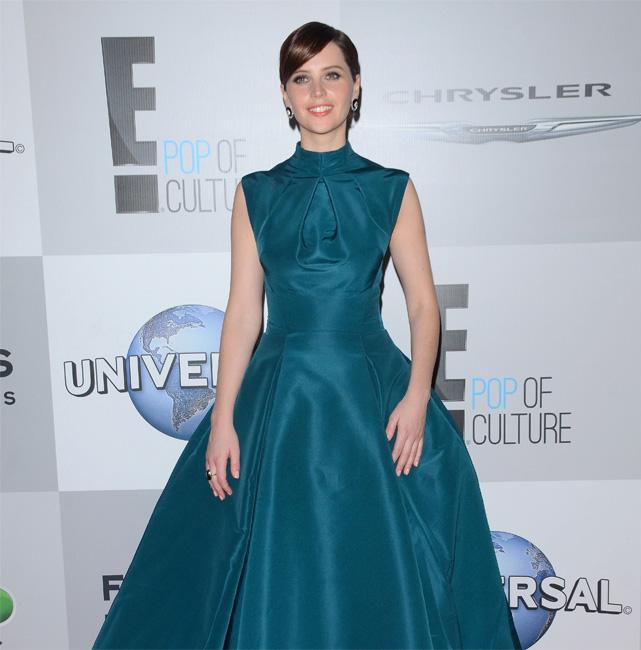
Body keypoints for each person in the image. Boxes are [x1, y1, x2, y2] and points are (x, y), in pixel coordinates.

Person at [92, 20, 522, 650]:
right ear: (285, 94)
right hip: (282, 401)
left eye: (332, 75)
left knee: (386, 555)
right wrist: (222, 419)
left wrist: (415, 398)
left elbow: (424, 307)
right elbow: (244, 313)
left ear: (356, 87)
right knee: (266, 558)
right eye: (302, 78)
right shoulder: (256, 193)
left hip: (372, 394)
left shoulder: (392, 189)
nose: (318, 92)